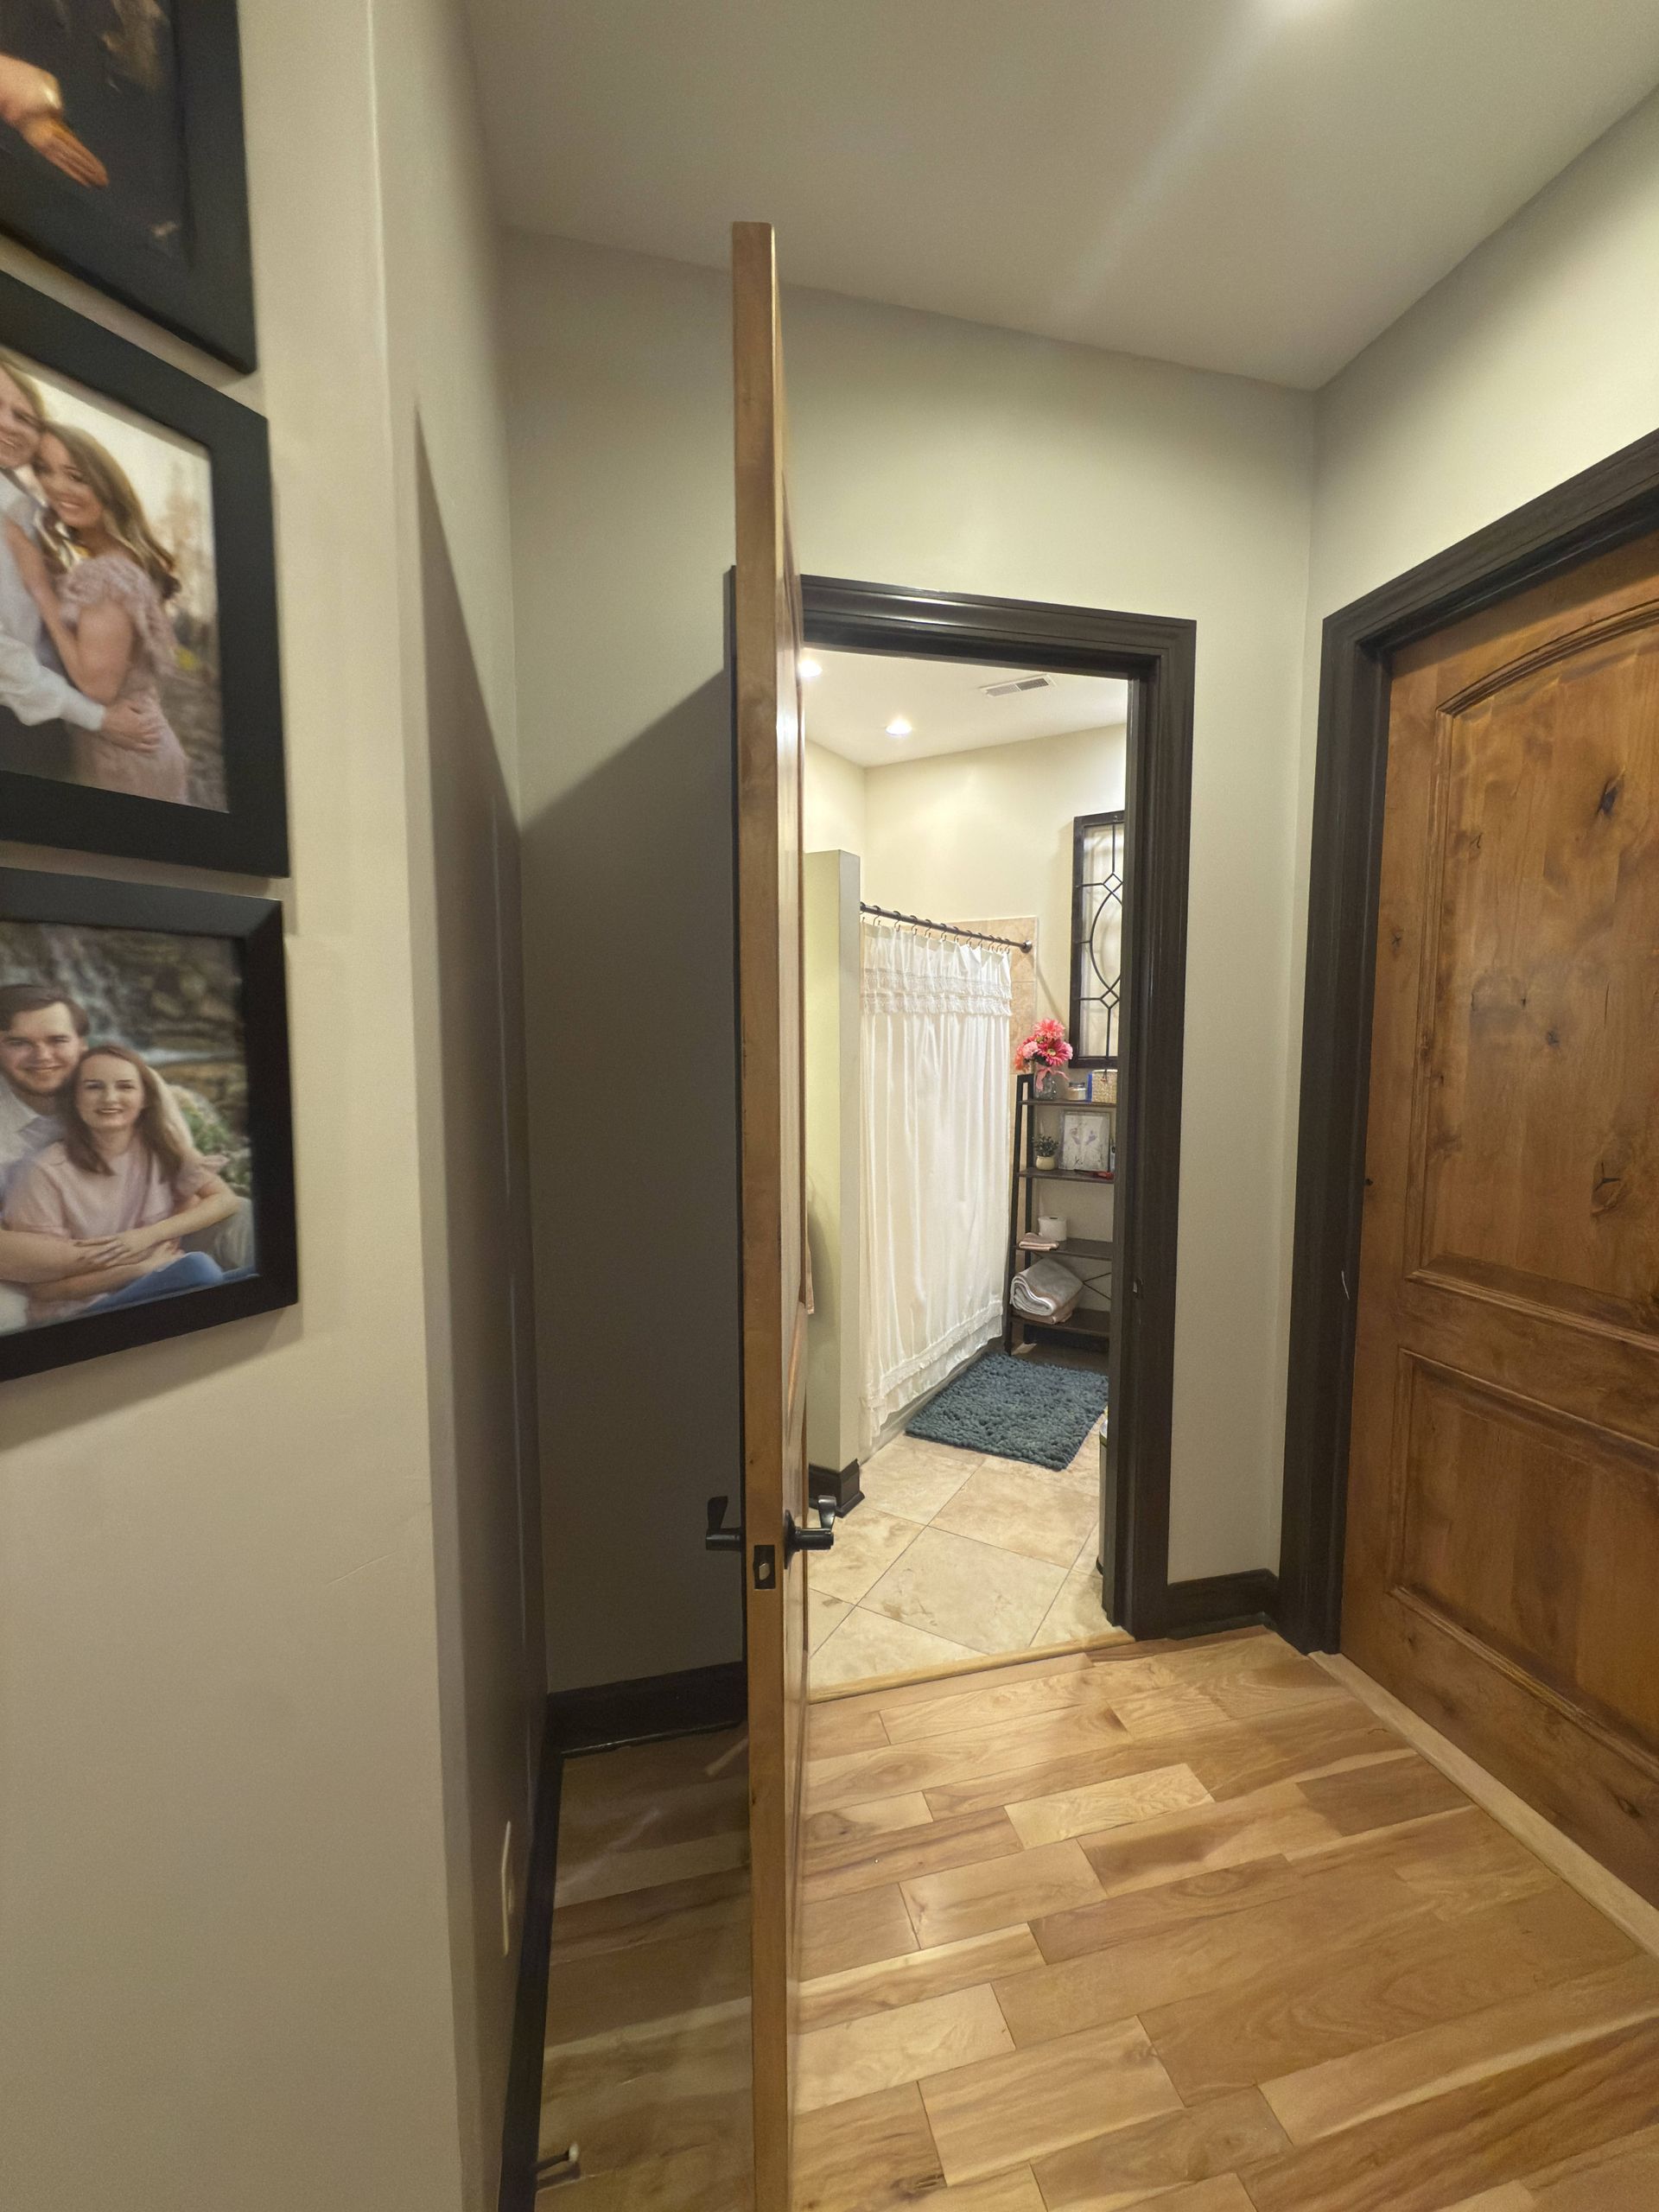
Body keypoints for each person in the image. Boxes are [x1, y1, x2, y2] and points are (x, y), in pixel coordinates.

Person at [0, 982, 254, 1335]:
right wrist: (135, 1262)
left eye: (57, 1040)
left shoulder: (135, 1098)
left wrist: (149, 1238)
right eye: (19, 1042)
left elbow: (191, 1192)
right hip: (34, 1271)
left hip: (143, 1244)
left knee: (242, 1221)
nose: (42, 1056)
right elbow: (33, 1276)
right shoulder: (42, 1171)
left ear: (80, 1044)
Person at [8, 420, 189, 800]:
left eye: (76, 476)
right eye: (45, 470)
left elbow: (98, 687)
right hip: (135, 745)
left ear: (105, 485)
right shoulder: (118, 559)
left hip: (125, 756)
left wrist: (41, 588)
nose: (57, 486)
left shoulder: (106, 574)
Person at [0, 355, 155, 779]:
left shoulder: (22, 510)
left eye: (23, 416)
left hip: (57, 729)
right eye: (49, 472)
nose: (8, 424)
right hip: (20, 726)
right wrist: (98, 718)